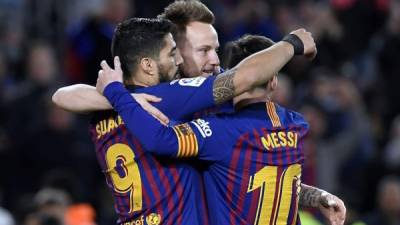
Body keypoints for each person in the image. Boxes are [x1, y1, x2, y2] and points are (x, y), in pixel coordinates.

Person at [52, 1, 344, 223]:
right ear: (172, 53)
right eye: (204, 50)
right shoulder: (179, 94)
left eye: (216, 49)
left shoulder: (118, 100)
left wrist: (123, 98)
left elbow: (63, 95)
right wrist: (292, 43)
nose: (216, 60)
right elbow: (243, 77)